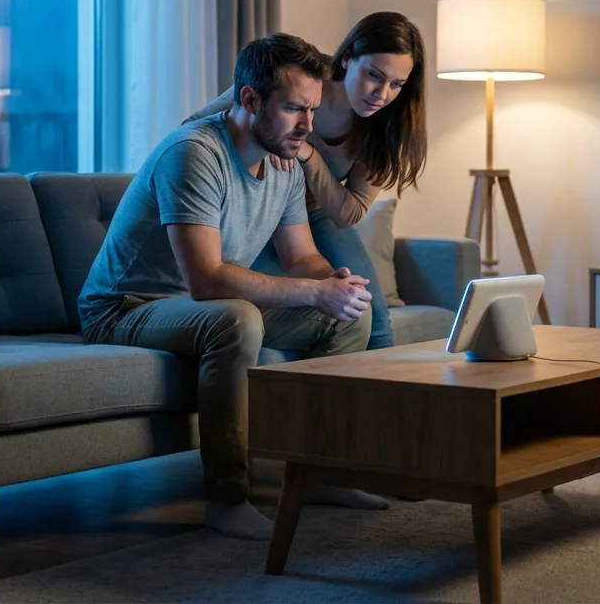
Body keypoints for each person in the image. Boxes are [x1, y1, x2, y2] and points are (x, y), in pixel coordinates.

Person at [78, 32, 389, 541]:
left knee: (353, 310)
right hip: (126, 308)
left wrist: (331, 282)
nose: (307, 126)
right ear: (249, 99)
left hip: (193, 307)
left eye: (311, 110)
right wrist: (311, 293)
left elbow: (301, 256)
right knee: (236, 316)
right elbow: (207, 280)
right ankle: (226, 499)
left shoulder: (287, 159)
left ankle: (320, 472)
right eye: (293, 109)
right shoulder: (194, 154)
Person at [184, 12, 428, 350]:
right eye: (374, 75)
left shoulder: (386, 128)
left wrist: (308, 156)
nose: (382, 94)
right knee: (267, 295)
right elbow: (197, 123)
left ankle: (379, 395)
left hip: (316, 212)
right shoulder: (300, 77)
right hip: (259, 199)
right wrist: (259, 141)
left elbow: (349, 213)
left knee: (364, 305)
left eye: (397, 84)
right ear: (347, 59)